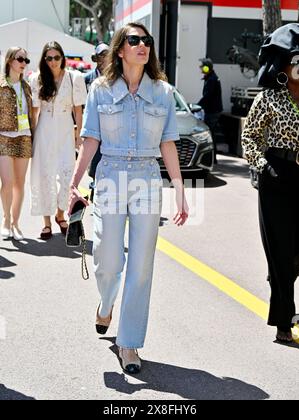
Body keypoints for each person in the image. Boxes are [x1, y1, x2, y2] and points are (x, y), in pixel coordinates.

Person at [68, 22, 189, 374]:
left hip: (147, 179)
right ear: (120, 49)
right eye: (134, 40)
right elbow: (90, 140)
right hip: (110, 177)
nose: (143, 45)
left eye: (147, 41)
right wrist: (73, 185)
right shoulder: (100, 90)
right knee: (107, 259)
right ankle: (106, 303)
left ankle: (129, 342)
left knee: (141, 267)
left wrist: (179, 187)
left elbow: (168, 142)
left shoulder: (164, 93)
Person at [242, 23, 299, 344]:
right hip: (276, 176)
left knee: (296, 252)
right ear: (286, 65)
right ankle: (282, 321)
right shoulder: (269, 97)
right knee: (280, 252)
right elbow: (249, 137)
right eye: (297, 60)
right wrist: (263, 166)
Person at [30, 41, 87, 240]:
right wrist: (31, 136)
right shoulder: (37, 79)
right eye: (49, 58)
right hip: (44, 129)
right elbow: (34, 111)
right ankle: (46, 223)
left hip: (65, 131)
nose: (53, 62)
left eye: (56, 57)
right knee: (44, 175)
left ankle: (60, 215)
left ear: (62, 57)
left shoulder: (75, 77)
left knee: (66, 176)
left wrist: (80, 135)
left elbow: (78, 110)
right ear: (44, 60)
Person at [0, 47, 32, 241]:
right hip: (4, 136)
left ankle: (15, 223)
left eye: (26, 60)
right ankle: (5, 220)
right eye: (20, 59)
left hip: (24, 137)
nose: (23, 63)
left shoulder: (27, 87)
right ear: (10, 60)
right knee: (8, 182)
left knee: (20, 183)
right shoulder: (1, 85)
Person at [84, 43, 110, 200]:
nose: (104, 59)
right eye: (101, 56)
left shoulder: (118, 78)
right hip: (93, 125)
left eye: (106, 55)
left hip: (110, 124)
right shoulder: (87, 79)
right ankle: (95, 185)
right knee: (94, 159)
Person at [198, 58, 223, 164]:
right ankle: (213, 158)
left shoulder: (212, 79)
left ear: (207, 67)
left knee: (210, 135)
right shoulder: (210, 78)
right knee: (211, 134)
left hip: (212, 111)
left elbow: (207, 96)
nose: (200, 68)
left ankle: (212, 158)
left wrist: (197, 105)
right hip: (213, 110)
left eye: (202, 66)